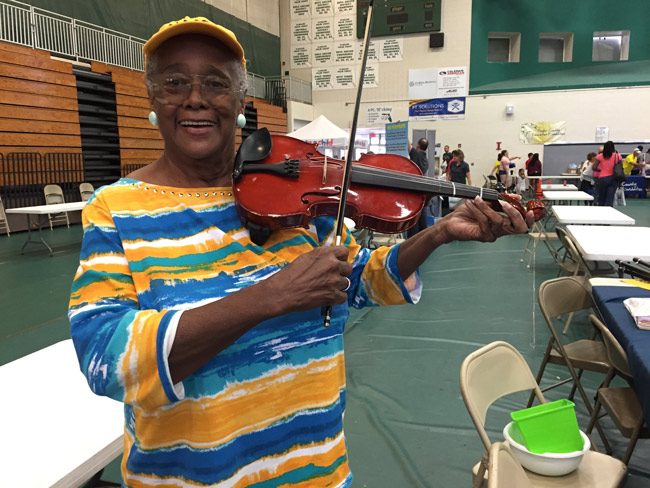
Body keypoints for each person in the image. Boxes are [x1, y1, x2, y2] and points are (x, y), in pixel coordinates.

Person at [67, 17, 532, 487]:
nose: (195, 98)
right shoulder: (116, 208)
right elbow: (107, 357)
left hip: (317, 471)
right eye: (174, 82)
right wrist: (270, 297)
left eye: (215, 83)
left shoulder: (299, 198)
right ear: (151, 98)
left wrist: (437, 234)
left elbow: (363, 280)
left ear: (240, 102)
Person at [406, 137, 430, 236]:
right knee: (421, 214)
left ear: (418, 145)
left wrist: (402, 128)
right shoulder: (426, 160)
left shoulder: (416, 153)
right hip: (421, 189)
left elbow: (408, 146)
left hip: (413, 189)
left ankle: (412, 238)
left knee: (413, 217)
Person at [592, 140, 621, 206]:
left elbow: (594, 167)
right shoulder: (617, 156)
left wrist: (601, 170)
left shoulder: (600, 156)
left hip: (602, 178)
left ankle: (601, 210)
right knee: (610, 197)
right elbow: (620, 167)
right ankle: (609, 211)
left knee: (601, 197)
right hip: (614, 178)